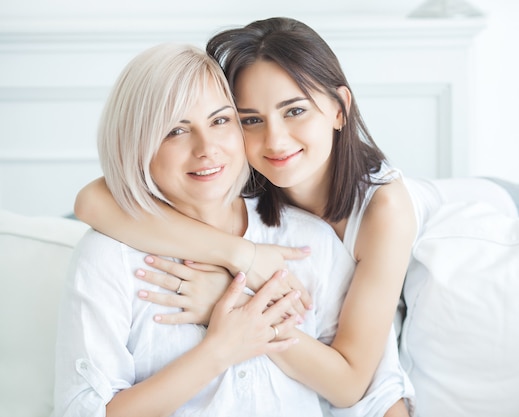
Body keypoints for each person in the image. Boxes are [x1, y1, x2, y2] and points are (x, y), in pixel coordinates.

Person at [74, 17, 519, 416]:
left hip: (487, 213)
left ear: (340, 109)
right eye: (249, 119)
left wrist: (230, 297)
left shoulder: (382, 213)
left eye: (296, 110)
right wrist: (242, 254)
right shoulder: (245, 168)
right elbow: (91, 202)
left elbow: (355, 381)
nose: (276, 140)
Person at [54, 43, 414, 417]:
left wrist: (230, 303)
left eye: (221, 120)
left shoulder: (312, 240)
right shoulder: (108, 258)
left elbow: (369, 392)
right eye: (176, 131)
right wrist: (219, 349)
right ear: (136, 145)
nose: (206, 148)